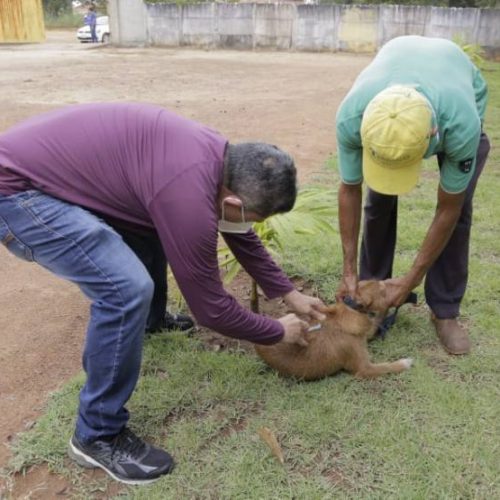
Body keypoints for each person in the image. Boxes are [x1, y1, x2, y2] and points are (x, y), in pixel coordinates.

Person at [0, 103, 325, 484]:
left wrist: (288, 293)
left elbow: (239, 233)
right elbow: (211, 309)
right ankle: (96, 434)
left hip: (38, 173)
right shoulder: (186, 195)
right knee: (124, 290)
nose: (249, 225)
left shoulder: (216, 159)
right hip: (18, 195)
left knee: (150, 222)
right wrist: (275, 330)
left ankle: (151, 322)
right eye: (253, 217)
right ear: (235, 201)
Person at [335, 35, 490, 356]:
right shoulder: (353, 116)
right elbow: (349, 189)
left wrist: (411, 279)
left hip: (455, 90)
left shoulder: (461, 124)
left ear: (433, 135)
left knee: (458, 212)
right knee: (377, 202)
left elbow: (448, 208)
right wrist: (348, 268)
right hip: (396, 68)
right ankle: (372, 298)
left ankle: (445, 311)